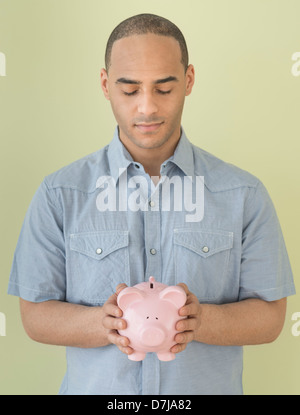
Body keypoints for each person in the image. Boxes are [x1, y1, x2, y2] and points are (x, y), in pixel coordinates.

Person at [8, 13, 295, 395]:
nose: (146, 108)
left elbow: (271, 317)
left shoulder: (243, 194)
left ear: (189, 81)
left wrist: (200, 320)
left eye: (164, 89)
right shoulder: (60, 194)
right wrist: (103, 324)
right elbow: (35, 315)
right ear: (105, 84)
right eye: (129, 90)